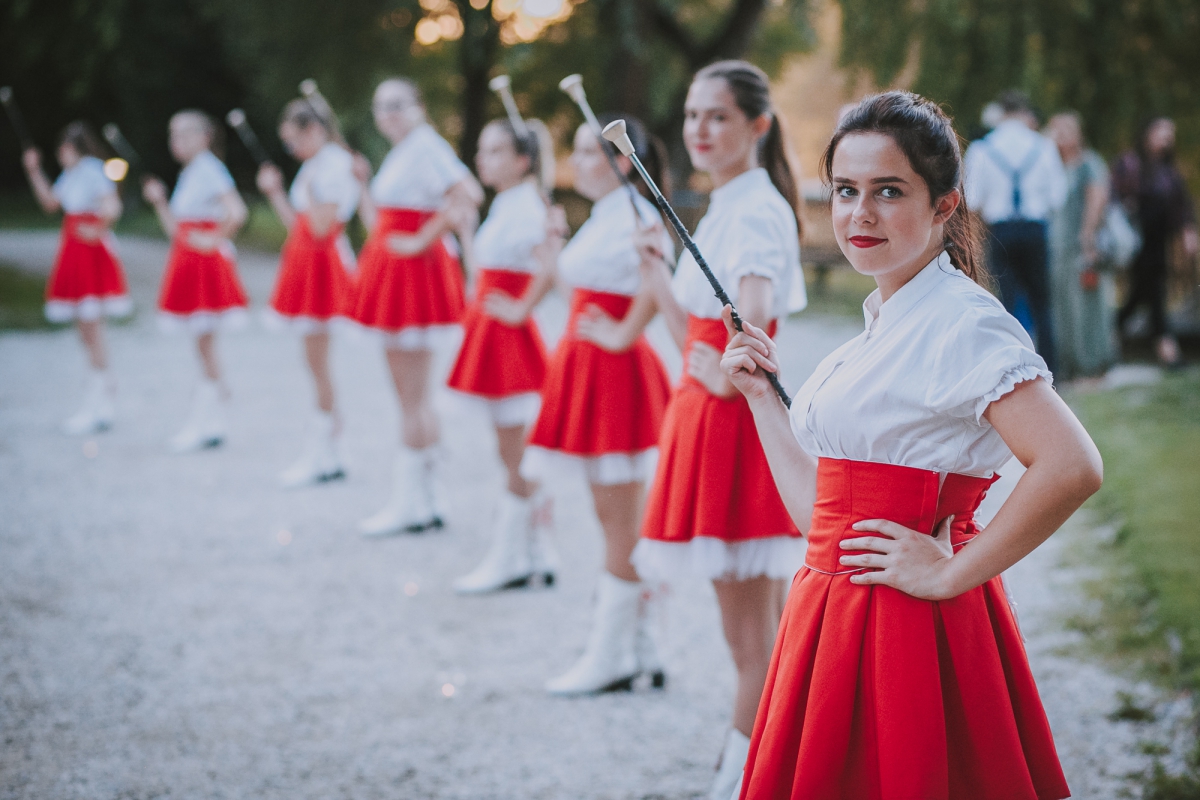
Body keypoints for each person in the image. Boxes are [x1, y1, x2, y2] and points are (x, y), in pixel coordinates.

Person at [720, 90, 1101, 799]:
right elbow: (821, 521)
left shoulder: (963, 324)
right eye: (844, 191)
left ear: (944, 206)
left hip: (907, 628)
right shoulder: (886, 318)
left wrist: (952, 572)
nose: (859, 214)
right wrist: (760, 399)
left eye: (887, 191)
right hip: (829, 613)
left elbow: (1072, 465)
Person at [629, 60, 806, 800]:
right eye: (693, 115)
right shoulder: (729, 202)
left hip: (732, 430)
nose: (699, 129)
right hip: (709, 420)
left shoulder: (755, 210)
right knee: (754, 636)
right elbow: (698, 347)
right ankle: (765, 768)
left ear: (756, 126)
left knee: (749, 644)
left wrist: (729, 356)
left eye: (718, 116)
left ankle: (748, 781)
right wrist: (659, 281)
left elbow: (751, 320)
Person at [523, 115, 674, 695]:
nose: (580, 162)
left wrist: (623, 332)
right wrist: (554, 252)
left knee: (619, 523)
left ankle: (614, 653)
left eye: (592, 152)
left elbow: (656, 280)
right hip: (587, 366)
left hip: (612, 371)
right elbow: (582, 293)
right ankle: (642, 644)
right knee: (612, 517)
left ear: (620, 159)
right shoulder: (608, 214)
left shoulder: (638, 212)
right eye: (578, 151)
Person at [351, 78, 484, 536]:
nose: (387, 113)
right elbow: (381, 221)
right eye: (380, 106)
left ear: (418, 106)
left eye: (396, 104)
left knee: (410, 396)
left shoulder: (426, 146)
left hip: (411, 276)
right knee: (414, 396)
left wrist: (423, 239)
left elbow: (467, 194)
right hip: (394, 270)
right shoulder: (408, 149)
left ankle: (413, 501)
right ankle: (427, 498)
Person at [449, 116, 559, 595]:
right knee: (509, 449)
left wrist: (520, 309)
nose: (482, 159)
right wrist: (467, 230)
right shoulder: (507, 204)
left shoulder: (528, 206)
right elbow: (483, 274)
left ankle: (513, 557)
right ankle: (536, 549)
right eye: (482, 150)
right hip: (489, 329)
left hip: (507, 338)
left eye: (494, 151)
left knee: (515, 453)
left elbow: (549, 266)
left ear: (521, 161)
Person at [256, 99, 361, 487]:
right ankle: (330, 448)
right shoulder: (315, 165)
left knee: (317, 362)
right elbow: (296, 225)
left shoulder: (334, 166)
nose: (292, 150)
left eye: (294, 141)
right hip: (306, 263)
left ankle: (324, 449)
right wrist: (275, 193)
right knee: (313, 361)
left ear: (314, 131)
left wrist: (311, 197)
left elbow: (320, 228)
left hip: (325, 268)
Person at [143, 111, 249, 453]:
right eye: (174, 134)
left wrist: (214, 239)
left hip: (204, 265)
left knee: (204, 344)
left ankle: (208, 419)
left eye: (185, 134)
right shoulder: (191, 173)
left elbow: (237, 212)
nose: (178, 141)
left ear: (204, 136)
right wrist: (159, 202)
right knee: (202, 345)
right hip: (187, 259)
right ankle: (211, 416)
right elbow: (177, 229)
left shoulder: (208, 169)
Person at [21, 121, 131, 434]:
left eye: (64, 148)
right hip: (73, 250)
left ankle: (101, 398)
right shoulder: (71, 175)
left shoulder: (93, 170)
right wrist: (33, 171)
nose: (60, 153)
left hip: (89, 253)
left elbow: (112, 205)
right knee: (85, 329)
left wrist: (98, 229)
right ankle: (101, 390)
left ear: (75, 147)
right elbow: (50, 204)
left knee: (91, 327)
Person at [964, 90, 1067, 374]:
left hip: (1001, 230)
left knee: (1005, 301)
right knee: (1042, 302)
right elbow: (1058, 196)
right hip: (1035, 228)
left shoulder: (983, 149)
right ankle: (1051, 370)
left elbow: (973, 200)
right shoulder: (1043, 147)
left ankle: (1012, 369)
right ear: (1023, 113)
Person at [1112, 116, 1199, 367]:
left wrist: (1187, 232)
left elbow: (1181, 206)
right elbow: (1114, 198)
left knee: (1143, 293)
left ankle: (1113, 333)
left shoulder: (1168, 170)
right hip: (1137, 240)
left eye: (1169, 133)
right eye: (1161, 131)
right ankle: (1167, 349)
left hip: (1158, 242)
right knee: (1152, 292)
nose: (1166, 137)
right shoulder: (1131, 164)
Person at [1046, 111, 1117, 379]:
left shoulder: (1088, 163)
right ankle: (1070, 364)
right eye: (1055, 131)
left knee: (1086, 305)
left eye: (1065, 130)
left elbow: (1097, 198)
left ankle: (1094, 362)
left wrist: (1088, 237)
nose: (1059, 136)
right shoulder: (1053, 166)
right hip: (1057, 248)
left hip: (1080, 246)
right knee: (1062, 306)